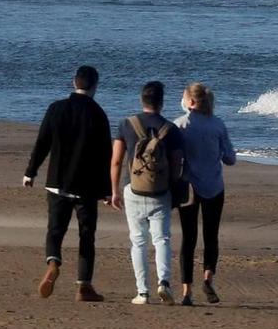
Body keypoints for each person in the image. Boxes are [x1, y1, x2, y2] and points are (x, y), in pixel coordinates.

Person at [23, 65, 112, 302]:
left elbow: (43, 142)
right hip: (87, 186)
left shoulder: (57, 109)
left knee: (55, 229)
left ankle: (53, 262)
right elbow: (105, 154)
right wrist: (107, 190)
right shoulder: (98, 114)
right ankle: (84, 285)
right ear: (95, 86)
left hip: (57, 181)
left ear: (74, 82)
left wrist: (30, 172)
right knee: (86, 234)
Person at [110, 80, 185, 305]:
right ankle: (164, 283)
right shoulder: (170, 129)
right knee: (162, 239)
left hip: (133, 189)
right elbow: (177, 162)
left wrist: (114, 191)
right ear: (161, 103)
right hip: (160, 192)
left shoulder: (126, 124)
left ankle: (142, 292)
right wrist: (172, 188)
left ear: (142, 100)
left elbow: (116, 161)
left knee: (138, 241)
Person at [173, 82, 237, 306]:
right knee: (211, 234)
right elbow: (230, 158)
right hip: (214, 186)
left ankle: (186, 291)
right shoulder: (218, 124)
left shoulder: (180, 125)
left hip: (188, 186)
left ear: (190, 102)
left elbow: (173, 157)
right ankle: (208, 277)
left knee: (188, 238)